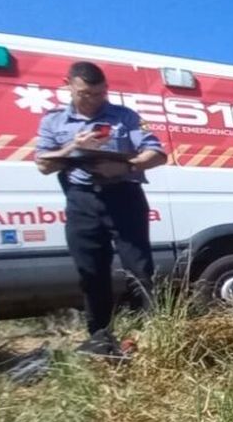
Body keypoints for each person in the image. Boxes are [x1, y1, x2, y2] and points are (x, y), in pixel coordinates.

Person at [34, 61, 168, 354]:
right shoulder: (53, 121)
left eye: (100, 93)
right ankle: (100, 338)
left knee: (140, 268)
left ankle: (154, 333)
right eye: (86, 94)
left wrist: (125, 166)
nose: (95, 99)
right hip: (81, 200)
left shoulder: (125, 116)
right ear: (68, 85)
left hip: (123, 196)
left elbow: (157, 153)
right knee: (91, 272)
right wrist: (72, 148)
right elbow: (43, 164)